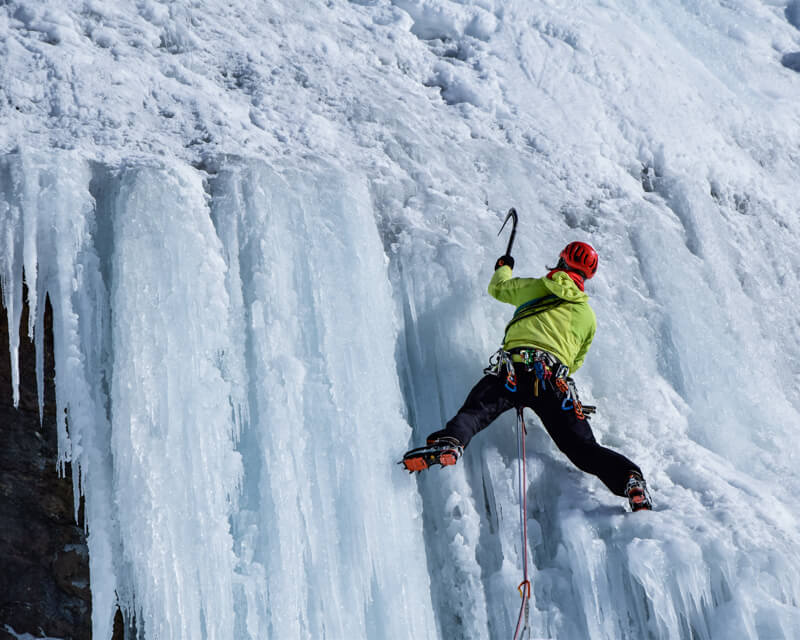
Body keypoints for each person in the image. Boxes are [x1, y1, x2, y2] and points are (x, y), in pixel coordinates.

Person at [403, 242, 652, 511]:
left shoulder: (539, 286)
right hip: (553, 382)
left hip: (513, 371)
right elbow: (575, 361)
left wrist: (503, 267)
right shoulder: (587, 316)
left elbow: (498, 288)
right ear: (587, 277)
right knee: (582, 449)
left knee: (474, 413)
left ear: (561, 260)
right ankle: (630, 480)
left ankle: (450, 443)